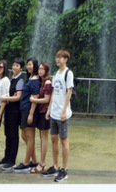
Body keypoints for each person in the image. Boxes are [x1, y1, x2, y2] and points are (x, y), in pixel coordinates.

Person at [45, 50, 74, 182]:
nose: (58, 60)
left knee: (64, 140)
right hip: (54, 113)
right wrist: (49, 109)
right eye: (56, 57)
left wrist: (64, 111)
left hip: (63, 114)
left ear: (66, 59)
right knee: (53, 139)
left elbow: (69, 92)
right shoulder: (56, 74)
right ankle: (55, 166)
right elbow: (53, 93)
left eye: (60, 58)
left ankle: (64, 169)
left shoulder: (68, 73)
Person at [12, 57, 40, 173]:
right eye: (28, 64)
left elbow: (36, 96)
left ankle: (26, 162)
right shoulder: (30, 78)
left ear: (35, 66)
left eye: (31, 65)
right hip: (24, 109)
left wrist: (31, 114)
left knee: (29, 137)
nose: (29, 67)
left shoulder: (35, 80)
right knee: (25, 136)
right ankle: (34, 161)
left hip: (29, 110)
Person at [0, 58, 25, 169]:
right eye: (14, 65)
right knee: (7, 133)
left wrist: (7, 98)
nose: (14, 67)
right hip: (8, 109)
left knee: (13, 134)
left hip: (15, 111)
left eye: (17, 66)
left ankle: (12, 159)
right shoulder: (11, 79)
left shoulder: (20, 80)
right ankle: (6, 157)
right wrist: (8, 98)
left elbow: (18, 97)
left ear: (21, 68)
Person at [30, 62, 53, 174]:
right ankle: (41, 162)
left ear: (46, 70)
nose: (40, 71)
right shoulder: (42, 82)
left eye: (42, 69)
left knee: (44, 138)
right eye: (39, 69)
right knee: (41, 137)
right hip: (41, 112)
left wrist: (34, 100)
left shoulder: (48, 82)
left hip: (45, 113)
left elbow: (46, 100)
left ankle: (42, 164)